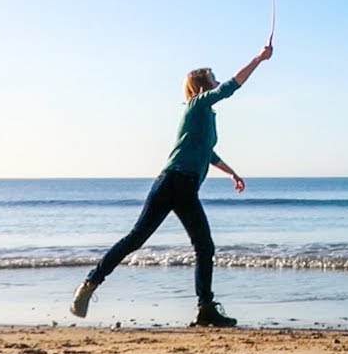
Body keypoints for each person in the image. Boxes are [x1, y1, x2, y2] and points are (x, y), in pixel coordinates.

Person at [70, 44, 274, 327]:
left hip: (185, 187)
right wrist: (258, 59)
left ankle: (205, 308)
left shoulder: (205, 116)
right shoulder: (198, 104)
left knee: (203, 246)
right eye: (213, 77)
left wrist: (231, 173)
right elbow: (230, 87)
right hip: (172, 183)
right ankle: (90, 284)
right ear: (203, 85)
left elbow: (207, 153)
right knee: (139, 239)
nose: (217, 80)